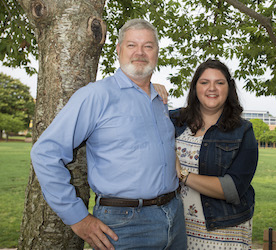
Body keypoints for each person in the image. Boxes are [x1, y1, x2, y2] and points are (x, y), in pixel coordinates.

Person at [30, 19, 187, 250]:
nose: (140, 53)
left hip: (174, 217)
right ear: (118, 49)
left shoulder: (159, 100)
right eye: (132, 45)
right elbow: (45, 153)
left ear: (157, 52)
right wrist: (77, 217)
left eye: (148, 46)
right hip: (125, 225)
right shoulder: (96, 95)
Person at [156, 58, 258, 249]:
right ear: (195, 88)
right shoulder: (174, 120)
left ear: (229, 88)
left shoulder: (242, 131)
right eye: (205, 82)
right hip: (175, 227)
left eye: (219, 83)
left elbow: (233, 189)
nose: (212, 88)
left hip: (223, 230)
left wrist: (182, 174)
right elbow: (137, 122)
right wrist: (148, 91)